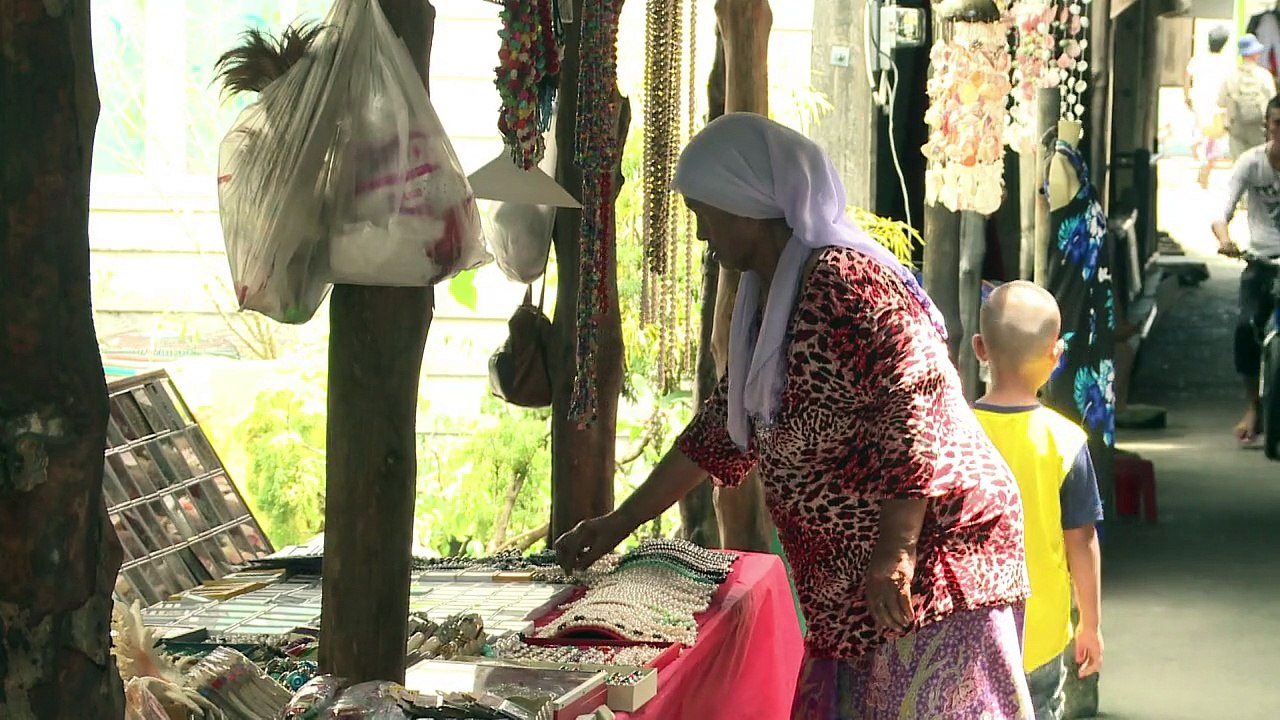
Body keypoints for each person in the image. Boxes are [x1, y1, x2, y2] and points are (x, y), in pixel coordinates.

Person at [553, 113, 1034, 719]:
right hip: (849, 583)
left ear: (747, 205)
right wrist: (620, 521)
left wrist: (897, 548)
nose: (702, 237)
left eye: (706, 215)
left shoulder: (846, 284)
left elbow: (916, 399)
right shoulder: (768, 298)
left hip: (938, 561)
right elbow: (719, 436)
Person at [971, 281, 1105, 720]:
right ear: (1056, 354)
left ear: (980, 348)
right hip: (1040, 634)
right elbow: (1081, 541)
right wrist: (1091, 623)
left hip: (967, 629)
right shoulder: (1066, 442)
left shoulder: (957, 434)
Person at [1212, 95, 1280, 446]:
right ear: (1266, 126)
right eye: (1277, 123)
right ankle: (1253, 405)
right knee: (1244, 331)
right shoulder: (1251, 164)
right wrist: (1225, 239)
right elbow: (1221, 212)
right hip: (1260, 262)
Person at [1184, 26, 1234, 188]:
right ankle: (1205, 169)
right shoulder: (1226, 63)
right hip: (1216, 109)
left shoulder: (1198, 58)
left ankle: (1201, 166)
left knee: (1200, 138)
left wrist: (1186, 96)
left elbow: (1187, 76)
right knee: (1212, 142)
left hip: (1199, 105)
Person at [1219, 34, 1277, 161]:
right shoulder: (1264, 75)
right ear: (1254, 53)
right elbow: (1273, 102)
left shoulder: (1230, 76)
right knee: (1260, 164)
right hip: (1259, 129)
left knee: (1240, 166)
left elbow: (1221, 102)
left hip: (1237, 130)